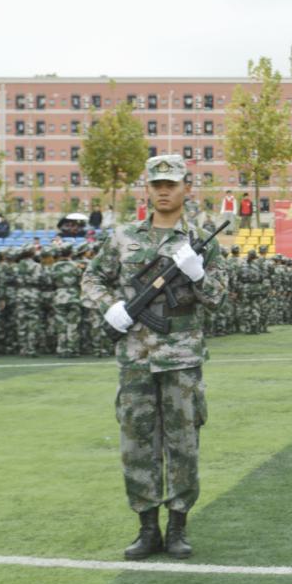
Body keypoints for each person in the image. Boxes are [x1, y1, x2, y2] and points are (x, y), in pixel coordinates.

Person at [80, 154, 227, 560]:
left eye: (172, 183)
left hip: (181, 360)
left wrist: (199, 275)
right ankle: (146, 528)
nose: (164, 190)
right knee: (136, 444)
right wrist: (110, 305)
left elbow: (219, 298)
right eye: (157, 184)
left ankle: (178, 527)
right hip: (136, 360)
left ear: (187, 187)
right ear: (147, 188)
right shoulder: (124, 237)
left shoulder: (202, 237)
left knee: (183, 444)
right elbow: (91, 278)